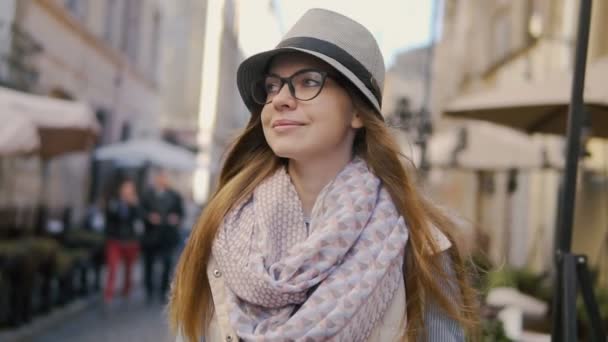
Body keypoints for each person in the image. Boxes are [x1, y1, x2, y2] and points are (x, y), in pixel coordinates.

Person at [170, 8, 479, 342]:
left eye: (309, 82)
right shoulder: (225, 227)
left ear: (358, 112)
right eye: (273, 87)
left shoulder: (420, 243)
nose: (281, 100)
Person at [141, 168, 184, 303]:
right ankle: (149, 291)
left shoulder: (175, 196)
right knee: (149, 264)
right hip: (151, 236)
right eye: (160, 178)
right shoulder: (147, 195)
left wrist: (176, 218)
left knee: (167, 263)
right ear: (156, 180)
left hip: (168, 236)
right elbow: (141, 211)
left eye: (164, 178)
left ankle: (163, 291)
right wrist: (149, 217)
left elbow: (181, 213)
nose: (162, 180)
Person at [103, 179, 142, 304]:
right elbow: (109, 217)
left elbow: (140, 219)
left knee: (129, 269)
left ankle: (126, 291)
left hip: (130, 241)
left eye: (130, 189)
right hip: (115, 240)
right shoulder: (114, 202)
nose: (127, 191)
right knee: (112, 267)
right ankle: (109, 294)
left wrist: (135, 206)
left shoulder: (135, 204)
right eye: (125, 188)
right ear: (121, 190)